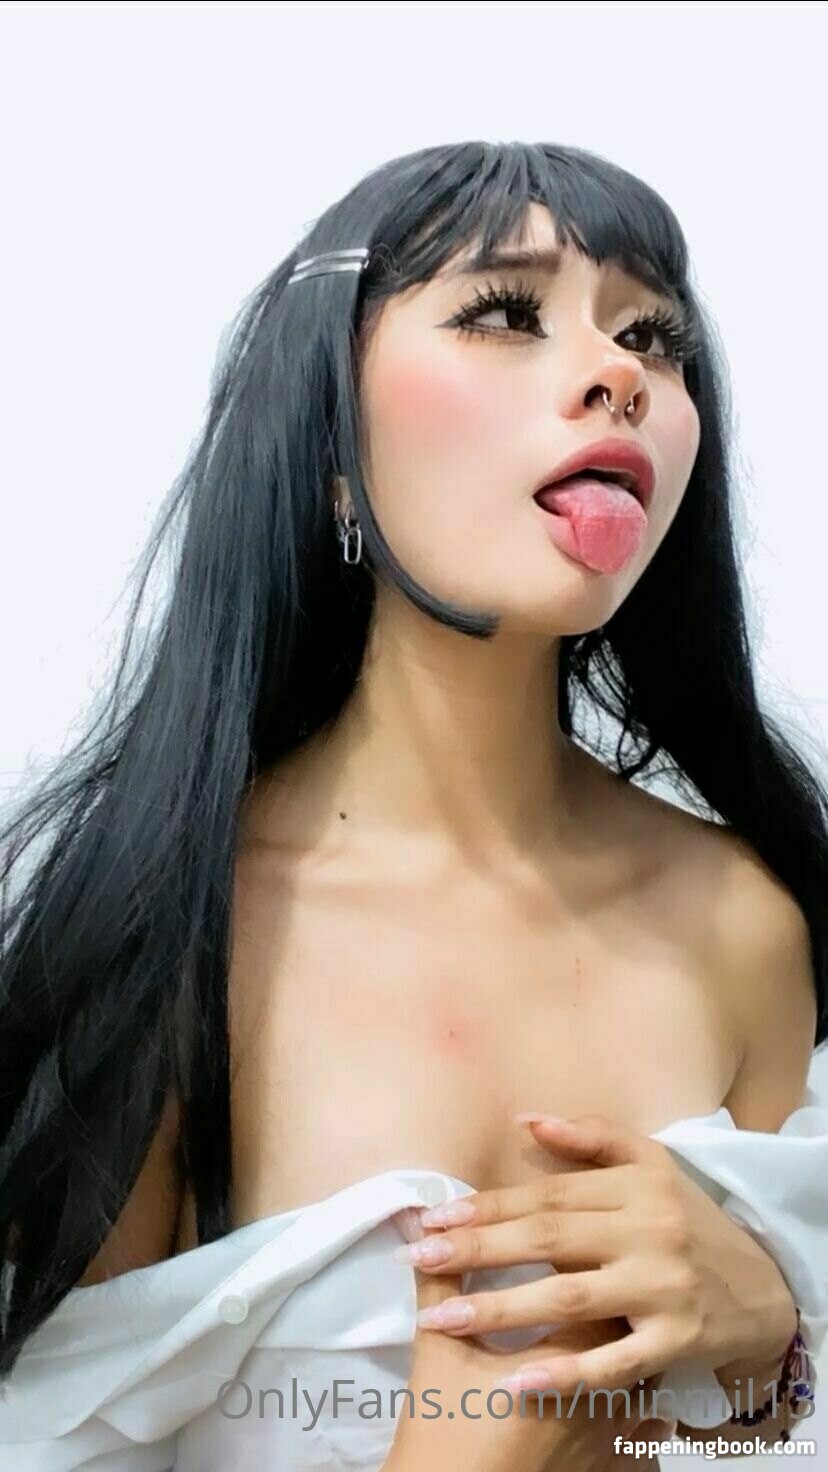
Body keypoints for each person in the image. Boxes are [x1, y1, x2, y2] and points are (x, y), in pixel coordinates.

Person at [0, 140, 826, 1471]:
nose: (620, 373)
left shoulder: (747, 927)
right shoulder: (170, 940)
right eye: (504, 311)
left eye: (653, 337)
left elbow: (767, 1435)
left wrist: (766, 1352)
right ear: (329, 443)